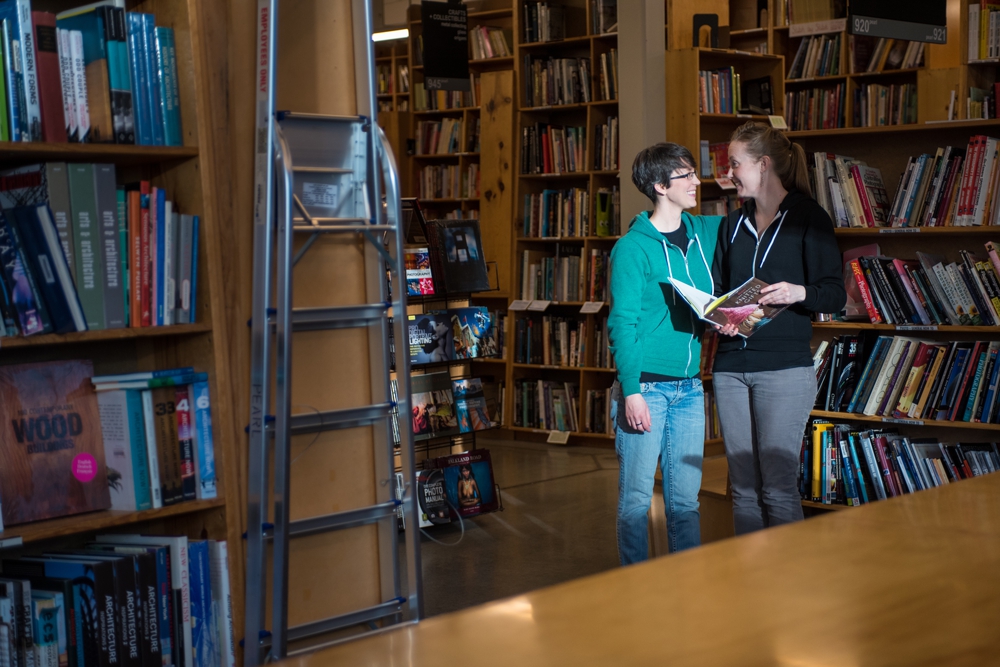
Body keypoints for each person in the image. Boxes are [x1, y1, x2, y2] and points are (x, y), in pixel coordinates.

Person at [712, 121, 846, 535]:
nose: (729, 173)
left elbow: (834, 295)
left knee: (778, 490)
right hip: (730, 368)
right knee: (744, 489)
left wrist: (796, 292)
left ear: (763, 165)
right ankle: (752, 584)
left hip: (785, 370)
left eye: (735, 163)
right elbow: (719, 290)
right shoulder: (731, 225)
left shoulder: (809, 217)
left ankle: (787, 588)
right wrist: (721, 319)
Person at [607, 142, 724, 564]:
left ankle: (685, 583)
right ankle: (637, 584)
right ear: (660, 185)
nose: (697, 181)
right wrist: (632, 390)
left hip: (690, 388)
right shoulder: (632, 249)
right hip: (647, 389)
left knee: (685, 502)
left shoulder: (704, 232)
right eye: (686, 175)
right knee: (637, 500)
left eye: (695, 172)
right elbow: (623, 323)